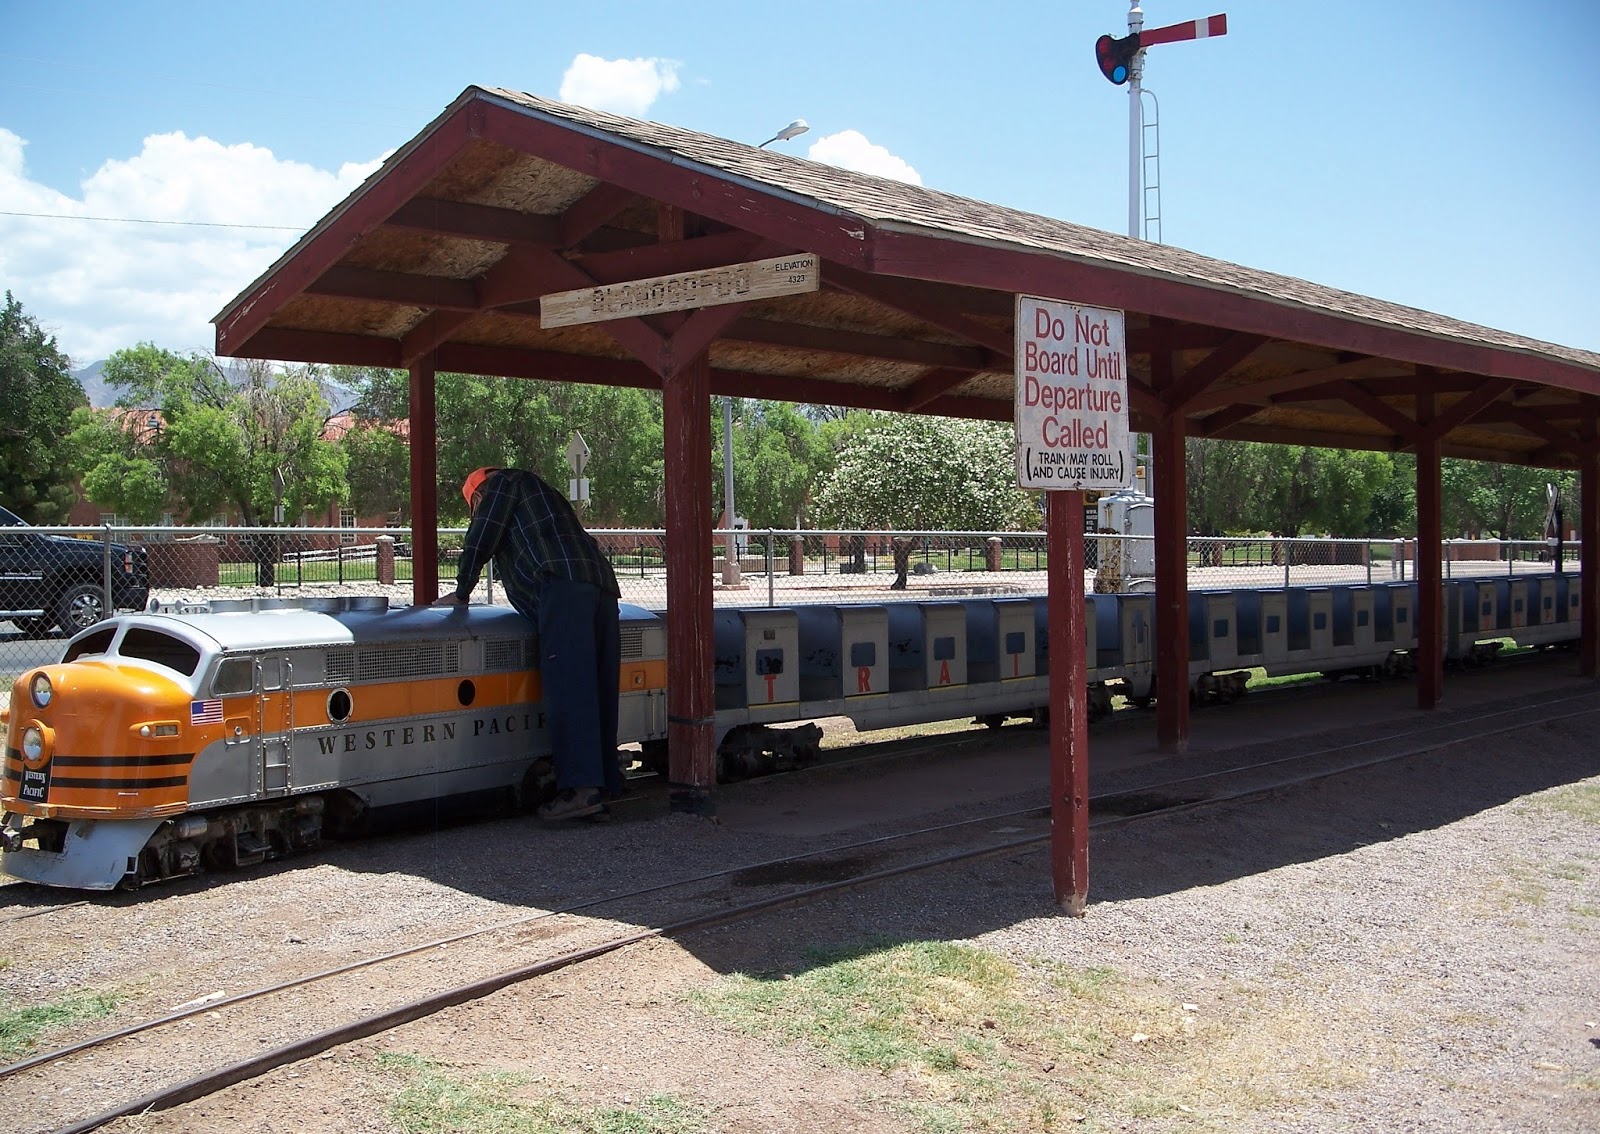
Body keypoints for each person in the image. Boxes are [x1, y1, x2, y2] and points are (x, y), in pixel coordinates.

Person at [433, 467, 625, 820]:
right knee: (598, 687)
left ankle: (581, 789)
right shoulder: (542, 495)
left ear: (477, 496)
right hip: (599, 584)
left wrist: (461, 592)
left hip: (561, 586)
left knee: (568, 686)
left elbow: (482, 536)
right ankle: (604, 784)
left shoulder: (503, 484)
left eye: (474, 507)